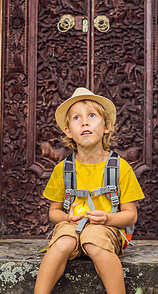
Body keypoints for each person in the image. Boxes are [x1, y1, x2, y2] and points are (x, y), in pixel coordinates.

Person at [34, 87, 145, 294]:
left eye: (92, 116)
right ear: (68, 131)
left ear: (106, 126)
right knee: (63, 241)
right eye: (77, 118)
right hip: (72, 227)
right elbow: (53, 212)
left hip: (108, 229)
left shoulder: (120, 167)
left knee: (93, 240)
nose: (84, 122)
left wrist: (107, 218)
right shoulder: (63, 169)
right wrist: (67, 218)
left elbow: (131, 216)